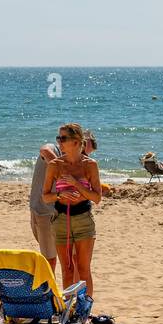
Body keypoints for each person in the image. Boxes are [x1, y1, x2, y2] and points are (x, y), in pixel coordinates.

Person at [42, 123, 101, 300]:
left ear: (76, 142)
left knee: (83, 269)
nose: (59, 142)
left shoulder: (90, 165)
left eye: (63, 138)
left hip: (83, 219)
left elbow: (97, 198)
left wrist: (76, 185)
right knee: (67, 270)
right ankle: (69, 309)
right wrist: (60, 194)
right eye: (58, 138)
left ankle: (84, 310)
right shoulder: (55, 165)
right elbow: (45, 196)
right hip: (61, 219)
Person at [29, 136, 63, 274]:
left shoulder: (75, 160)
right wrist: (60, 169)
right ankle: (48, 292)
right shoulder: (54, 149)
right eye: (60, 138)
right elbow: (44, 150)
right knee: (49, 259)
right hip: (44, 212)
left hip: (44, 211)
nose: (61, 141)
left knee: (51, 258)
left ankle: (49, 290)